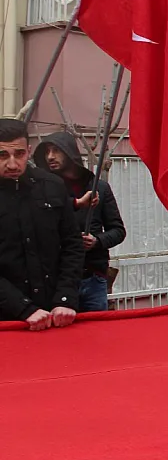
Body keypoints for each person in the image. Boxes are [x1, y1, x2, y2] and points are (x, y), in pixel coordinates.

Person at [0, 118, 83, 330]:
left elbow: (72, 244)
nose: (12, 164)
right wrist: (23, 308)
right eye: (2, 155)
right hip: (7, 320)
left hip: (56, 314)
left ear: (28, 151)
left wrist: (65, 298)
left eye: (19, 154)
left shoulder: (52, 186)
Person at [33, 131, 126, 312]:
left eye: (56, 151)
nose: (50, 157)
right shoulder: (44, 189)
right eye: (47, 152)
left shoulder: (99, 187)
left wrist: (97, 241)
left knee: (96, 334)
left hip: (93, 277)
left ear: (69, 152)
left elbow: (118, 230)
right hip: (58, 279)